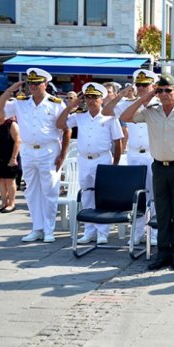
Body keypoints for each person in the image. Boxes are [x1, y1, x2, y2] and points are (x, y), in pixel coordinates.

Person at [120, 77, 174, 271]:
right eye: (160, 91)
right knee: (162, 211)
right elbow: (126, 116)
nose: (164, 94)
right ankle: (162, 252)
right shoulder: (150, 112)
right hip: (159, 167)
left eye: (168, 90)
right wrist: (145, 96)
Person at [0, 68, 70, 243]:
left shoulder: (56, 103)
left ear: (45, 84)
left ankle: (49, 229)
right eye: (30, 83)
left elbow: (66, 130)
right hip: (28, 150)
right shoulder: (21, 102)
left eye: (37, 83)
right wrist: (8, 91)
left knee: (49, 191)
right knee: (31, 191)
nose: (33, 86)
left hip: (49, 150)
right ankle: (37, 228)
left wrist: (63, 155)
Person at [57, 83, 123, 245]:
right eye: (88, 97)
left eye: (95, 97)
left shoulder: (109, 117)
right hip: (84, 159)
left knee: (102, 196)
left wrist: (115, 164)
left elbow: (118, 142)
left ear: (102, 99)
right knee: (87, 195)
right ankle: (89, 231)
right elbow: (60, 124)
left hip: (102, 159)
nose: (91, 100)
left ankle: (102, 232)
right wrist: (70, 106)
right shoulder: (80, 116)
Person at [103, 69, 159, 245]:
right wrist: (120, 96)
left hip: (153, 154)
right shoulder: (128, 103)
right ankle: (137, 232)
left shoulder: (159, 103)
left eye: (145, 85)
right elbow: (106, 111)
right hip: (135, 154)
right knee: (137, 196)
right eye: (139, 85)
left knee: (155, 195)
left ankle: (156, 233)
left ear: (153, 86)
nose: (142, 88)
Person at [0, 112, 21, 213]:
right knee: (1, 180)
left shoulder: (11, 124)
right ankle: (4, 203)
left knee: (9, 180)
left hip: (9, 157)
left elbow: (18, 141)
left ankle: (11, 203)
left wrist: (13, 158)